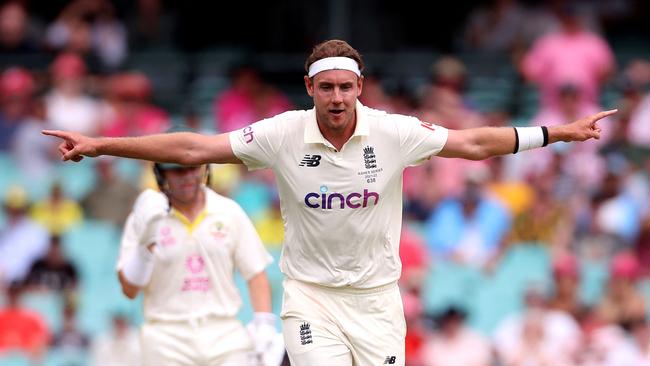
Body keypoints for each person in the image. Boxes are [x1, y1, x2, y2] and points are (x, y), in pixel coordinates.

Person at [44, 39, 617, 366]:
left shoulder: (393, 132)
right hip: (311, 296)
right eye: (327, 87)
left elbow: (471, 143)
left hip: (376, 300)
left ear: (359, 89)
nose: (338, 96)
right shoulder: (282, 133)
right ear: (309, 88)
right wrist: (100, 145)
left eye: (347, 86)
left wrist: (556, 133)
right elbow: (194, 145)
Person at [114, 151, 279, 366]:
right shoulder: (145, 216)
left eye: (193, 168)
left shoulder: (228, 211)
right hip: (166, 337)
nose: (187, 177)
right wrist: (147, 242)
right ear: (161, 174)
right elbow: (129, 289)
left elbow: (255, 272)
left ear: (205, 169)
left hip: (224, 333)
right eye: (177, 170)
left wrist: (264, 323)